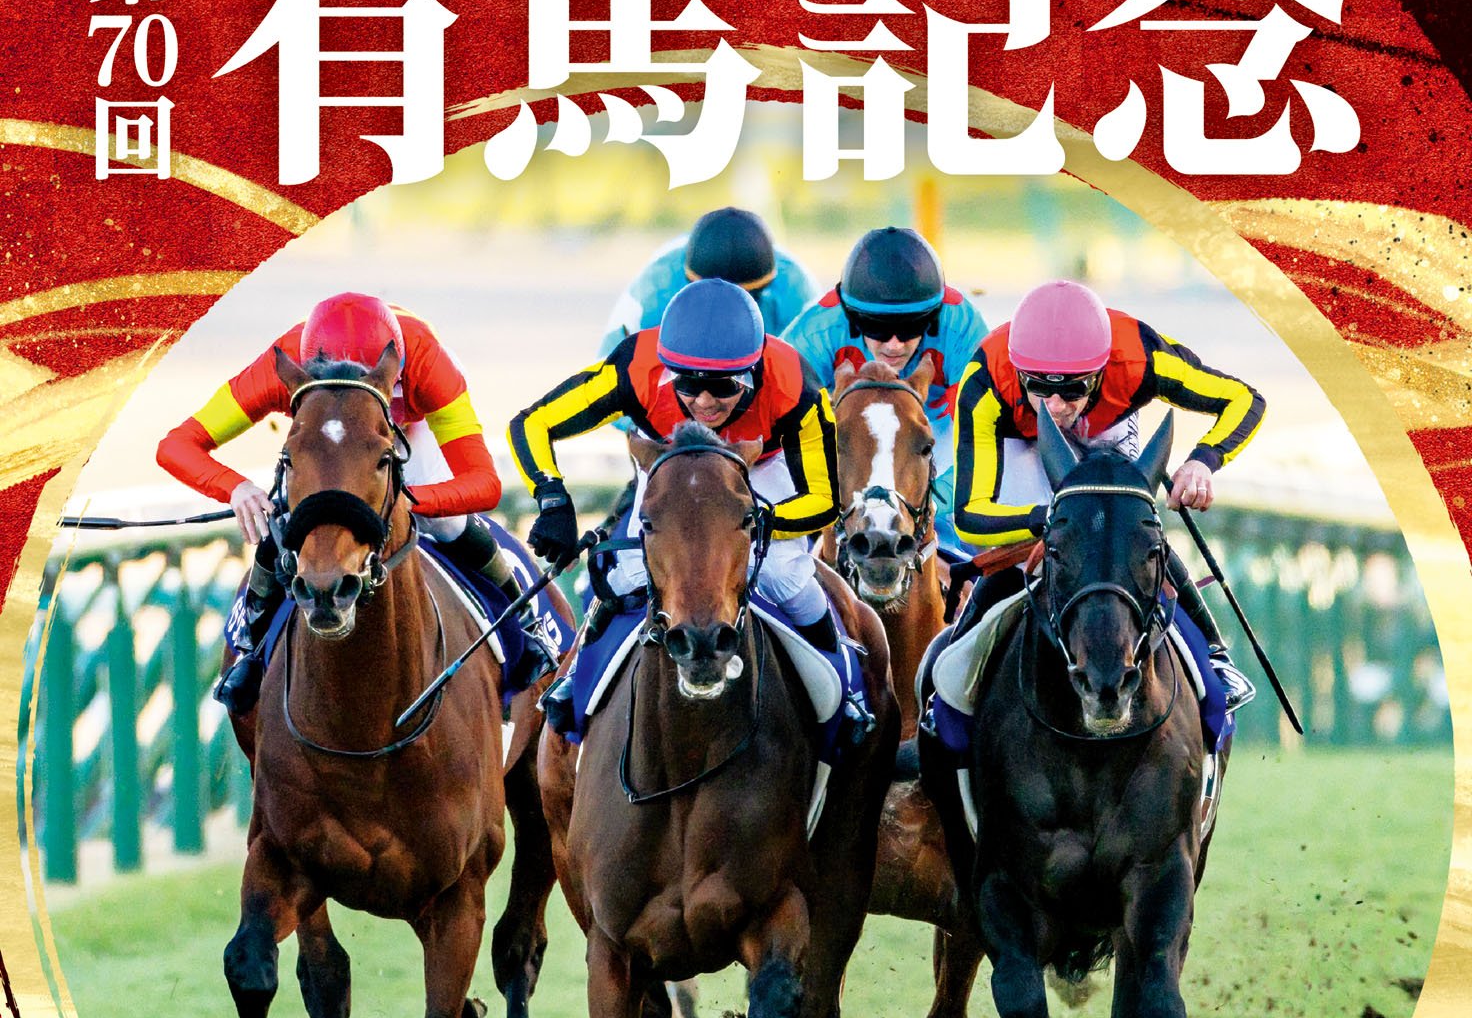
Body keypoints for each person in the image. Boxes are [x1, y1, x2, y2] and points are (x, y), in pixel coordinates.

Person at [508, 278, 873, 745]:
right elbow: (532, 422)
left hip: (760, 465)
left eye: (722, 387)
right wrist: (552, 498)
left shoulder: (794, 384)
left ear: (753, 372)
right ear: (667, 370)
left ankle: (847, 691)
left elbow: (824, 498)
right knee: (626, 572)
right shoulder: (633, 367)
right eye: (687, 384)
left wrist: (758, 522)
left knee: (784, 573)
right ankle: (577, 673)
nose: (703, 402)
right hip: (669, 459)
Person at [157, 292, 548, 717]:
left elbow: (483, 484)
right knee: (283, 514)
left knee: (448, 522)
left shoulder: (429, 363)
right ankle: (250, 649)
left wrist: (408, 500)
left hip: (403, 430)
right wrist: (235, 488)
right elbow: (176, 445)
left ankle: (526, 626)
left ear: (395, 374)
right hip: (325, 438)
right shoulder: (278, 363)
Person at [946, 278, 1262, 703]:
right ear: (1018, 370)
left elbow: (1244, 399)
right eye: (1038, 386)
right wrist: (1045, 519)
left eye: (1072, 389)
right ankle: (949, 675)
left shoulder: (1141, 356)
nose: (1054, 406)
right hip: (1020, 438)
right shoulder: (986, 380)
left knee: (1134, 536)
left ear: (1100, 371)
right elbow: (969, 516)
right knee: (1019, 559)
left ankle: (1215, 655)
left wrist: (1203, 460)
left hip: (1107, 427)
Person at [782, 226, 986, 556]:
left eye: (911, 328)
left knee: (969, 526)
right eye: (876, 328)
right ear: (851, 318)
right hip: (852, 445)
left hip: (936, 439)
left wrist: (927, 501)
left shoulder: (963, 328)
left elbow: (982, 444)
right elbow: (784, 436)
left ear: (934, 317)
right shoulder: (812, 337)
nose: (894, 345)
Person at [595, 207, 818, 359]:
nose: (728, 317)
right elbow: (609, 377)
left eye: (747, 299)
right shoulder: (656, 291)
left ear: (767, 287)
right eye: (716, 303)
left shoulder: (796, 289)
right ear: (686, 284)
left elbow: (816, 381)